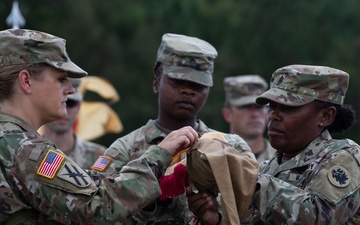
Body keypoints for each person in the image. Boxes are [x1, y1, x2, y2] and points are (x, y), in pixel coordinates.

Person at [0, 28, 199, 224]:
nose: (70, 90)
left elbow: (82, 187)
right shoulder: (23, 148)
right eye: (61, 79)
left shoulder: (11, 141)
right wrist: (159, 155)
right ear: (26, 81)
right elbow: (96, 208)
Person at [94, 33, 258, 224]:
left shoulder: (231, 147)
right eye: (177, 81)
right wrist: (143, 201)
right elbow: (97, 212)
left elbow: (255, 212)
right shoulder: (124, 150)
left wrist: (216, 217)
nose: (188, 91)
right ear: (156, 80)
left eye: (198, 85)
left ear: (208, 89)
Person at [188, 64, 360, 224]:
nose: (273, 116)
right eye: (272, 106)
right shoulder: (267, 168)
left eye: (288, 108)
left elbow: (319, 216)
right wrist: (218, 218)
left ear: (326, 116)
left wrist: (246, 177)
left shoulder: (345, 157)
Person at [40, 78, 107, 169]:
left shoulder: (99, 157)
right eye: (58, 103)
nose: (64, 111)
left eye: (71, 103)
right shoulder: (26, 154)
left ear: (78, 106)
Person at [222, 75, 276, 162]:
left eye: (260, 107)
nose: (255, 114)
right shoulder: (215, 156)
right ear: (227, 114)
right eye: (246, 107)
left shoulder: (282, 158)